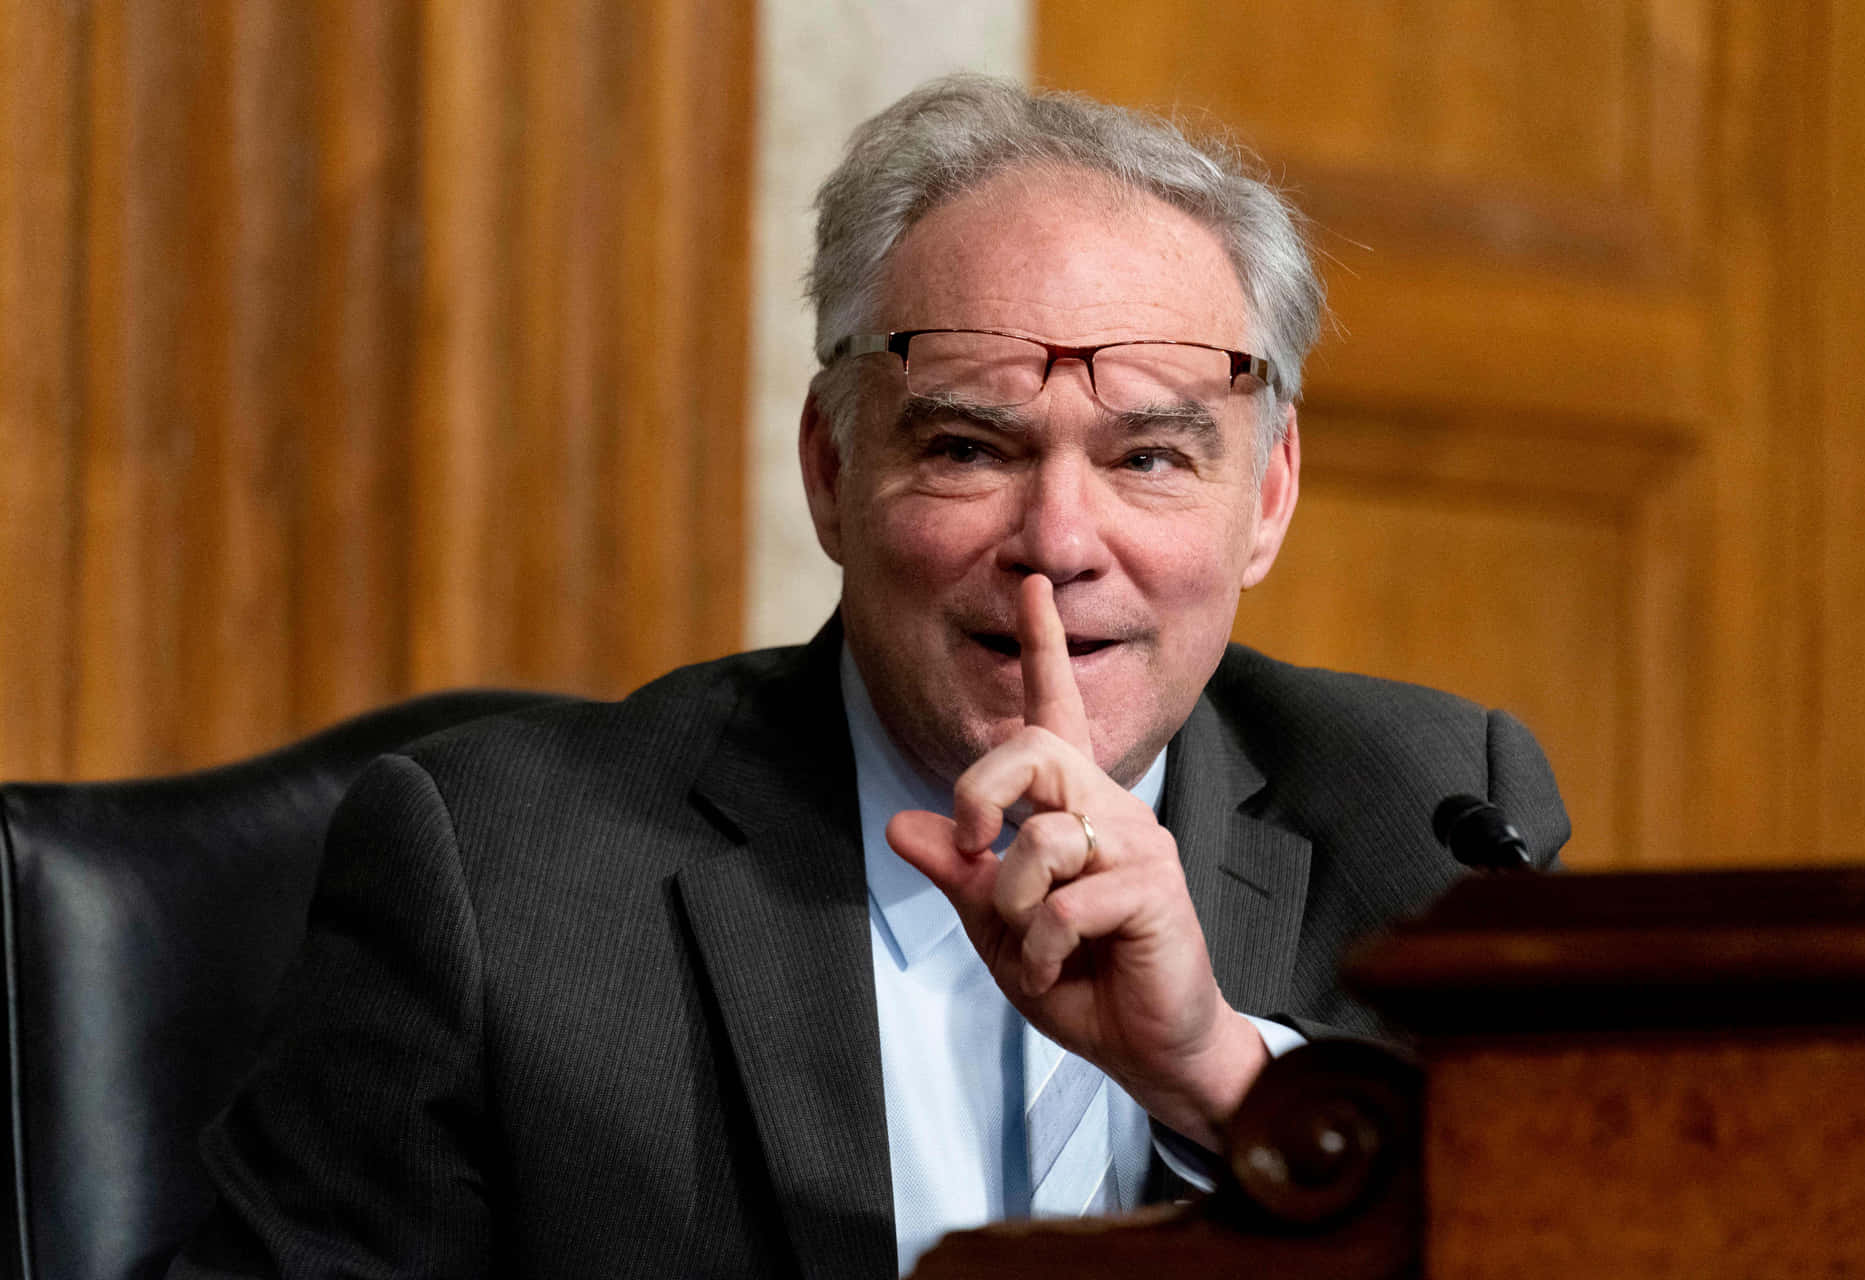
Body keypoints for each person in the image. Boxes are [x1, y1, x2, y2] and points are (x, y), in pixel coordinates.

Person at [172, 75, 1566, 1280]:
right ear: (833, 475)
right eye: (970, 447)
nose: (1060, 542)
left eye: (1149, 456)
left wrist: (1225, 1081)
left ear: (1266, 497)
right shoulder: (502, 876)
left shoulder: (1434, 829)